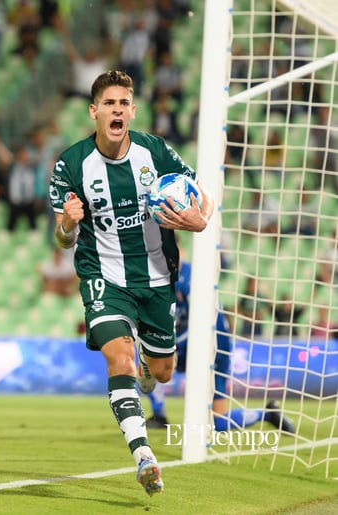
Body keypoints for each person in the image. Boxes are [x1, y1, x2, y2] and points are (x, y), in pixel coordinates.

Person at [49, 70, 214, 496]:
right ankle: (144, 456)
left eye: (124, 102)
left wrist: (201, 218)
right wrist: (68, 223)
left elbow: (199, 194)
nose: (117, 109)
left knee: (160, 371)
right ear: (94, 111)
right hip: (103, 276)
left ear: (132, 110)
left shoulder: (154, 151)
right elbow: (62, 237)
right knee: (118, 360)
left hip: (157, 279)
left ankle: (148, 365)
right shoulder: (71, 164)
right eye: (109, 103)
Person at [146, 260, 295, 436]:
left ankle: (268, 414)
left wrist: (170, 342)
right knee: (147, 360)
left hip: (214, 352)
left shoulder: (193, 278)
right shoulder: (157, 278)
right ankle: (159, 415)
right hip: (187, 346)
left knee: (217, 423)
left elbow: (200, 325)